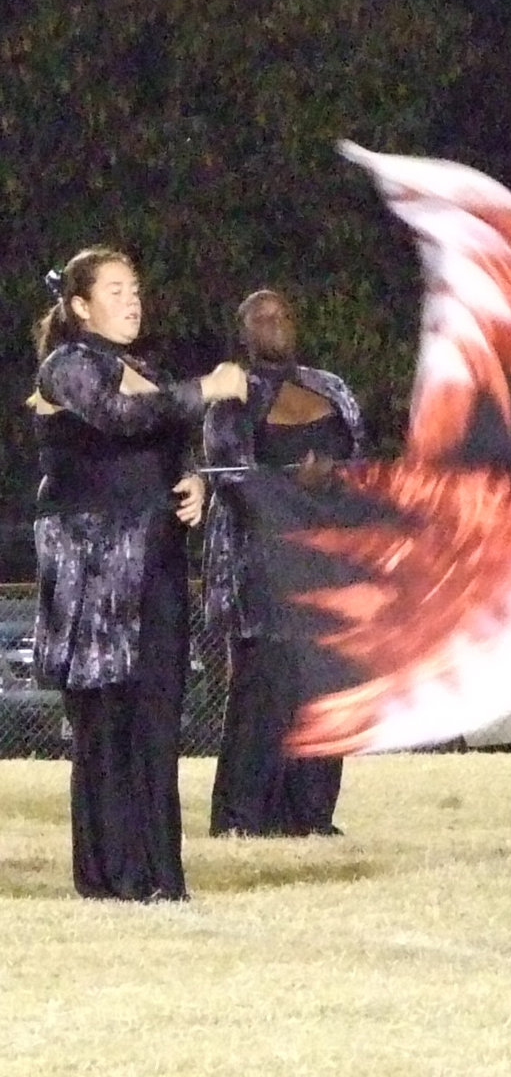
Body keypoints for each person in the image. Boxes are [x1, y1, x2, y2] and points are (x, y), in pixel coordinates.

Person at [31, 246, 247, 901]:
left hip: (154, 563)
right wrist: (206, 388)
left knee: (157, 717)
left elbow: (158, 436)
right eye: (116, 289)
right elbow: (118, 417)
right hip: (96, 577)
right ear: (79, 305)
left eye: (136, 289)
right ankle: (111, 875)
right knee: (107, 722)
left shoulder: (142, 370)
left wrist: (191, 481)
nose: (132, 300)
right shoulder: (66, 366)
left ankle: (159, 877)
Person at [203, 288, 364, 837]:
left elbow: (359, 469)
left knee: (324, 692)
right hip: (262, 570)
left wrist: (335, 482)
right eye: (261, 317)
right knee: (263, 694)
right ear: (243, 332)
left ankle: (312, 815)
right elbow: (231, 479)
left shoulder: (331, 389)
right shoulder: (232, 396)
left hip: (328, 567)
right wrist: (297, 484)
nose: (275, 324)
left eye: (284, 314)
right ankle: (241, 816)